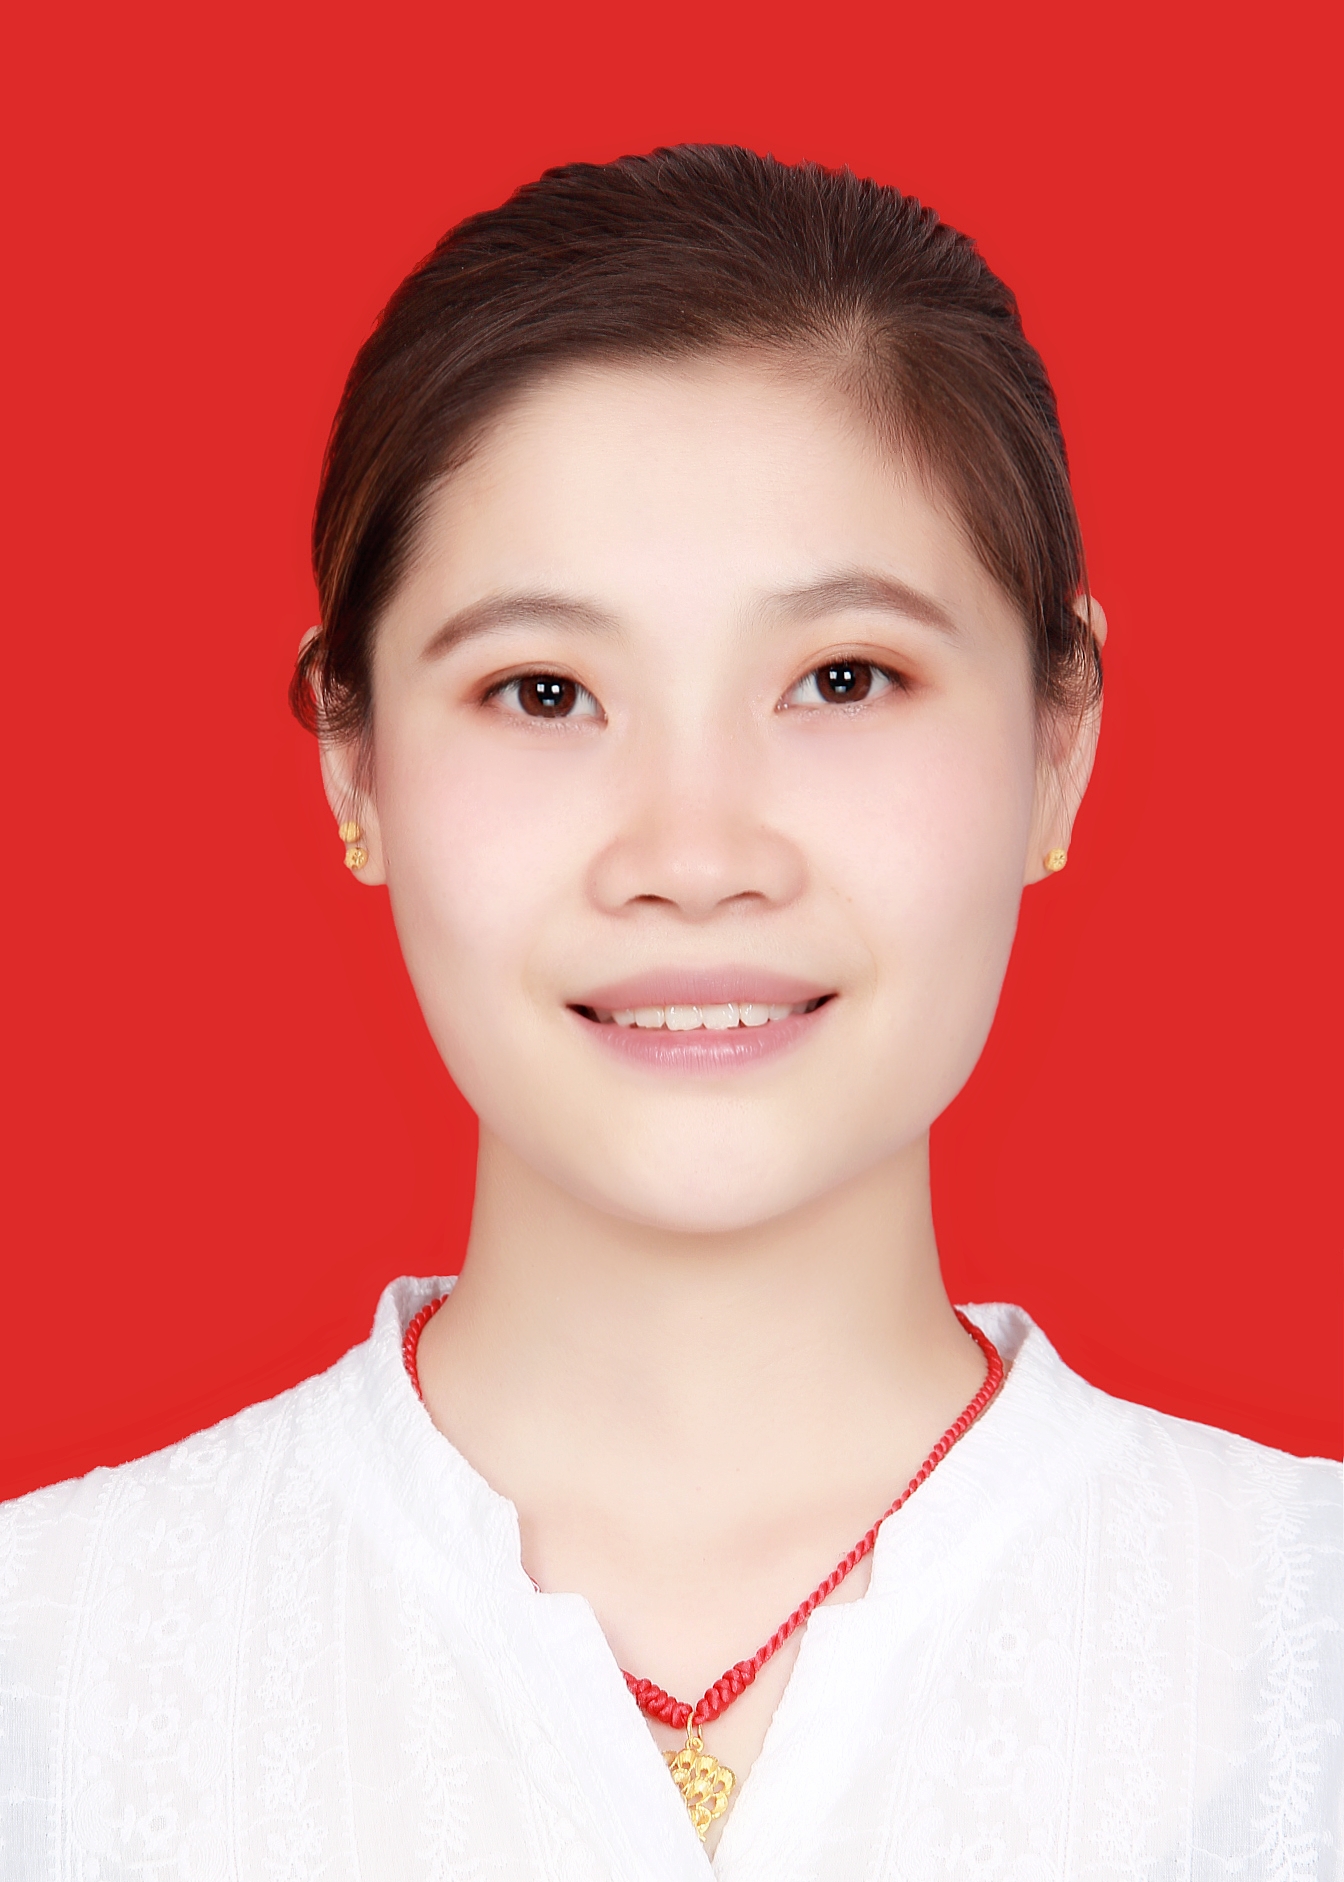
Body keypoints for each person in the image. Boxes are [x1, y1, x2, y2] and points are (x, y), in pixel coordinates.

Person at [2, 146, 1339, 1880]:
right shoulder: (49, 1668)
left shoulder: (1306, 1645)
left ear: (1058, 739)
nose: (695, 859)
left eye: (843, 678)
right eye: (543, 691)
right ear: (354, 764)